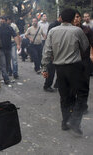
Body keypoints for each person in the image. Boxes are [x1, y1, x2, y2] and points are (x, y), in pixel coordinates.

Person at [42, 8, 89, 136]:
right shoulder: (77, 30)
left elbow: (47, 52)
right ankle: (74, 120)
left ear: (61, 18)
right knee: (83, 93)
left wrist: (44, 68)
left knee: (64, 96)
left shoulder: (52, 31)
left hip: (59, 69)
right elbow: (85, 46)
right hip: (74, 67)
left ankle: (65, 122)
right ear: (74, 18)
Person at [73, 10, 93, 114]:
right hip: (72, 61)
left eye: (77, 17)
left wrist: (91, 55)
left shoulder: (87, 30)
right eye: (74, 17)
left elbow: (92, 43)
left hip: (84, 61)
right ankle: (75, 105)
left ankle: (83, 105)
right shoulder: (69, 30)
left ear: (80, 18)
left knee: (85, 84)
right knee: (74, 85)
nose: (76, 19)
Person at [0, 16, 21, 84]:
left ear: (6, 21)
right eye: (1, 20)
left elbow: (15, 36)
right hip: (1, 49)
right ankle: (6, 79)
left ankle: (6, 75)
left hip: (8, 48)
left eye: (3, 20)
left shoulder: (10, 28)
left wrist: (18, 44)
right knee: (3, 64)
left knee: (7, 64)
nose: (2, 21)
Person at [43, 15, 62, 92]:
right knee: (51, 70)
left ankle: (57, 84)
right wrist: (51, 53)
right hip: (53, 51)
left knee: (59, 69)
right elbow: (50, 39)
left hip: (58, 50)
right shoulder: (53, 25)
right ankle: (47, 85)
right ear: (60, 17)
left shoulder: (60, 25)